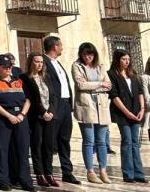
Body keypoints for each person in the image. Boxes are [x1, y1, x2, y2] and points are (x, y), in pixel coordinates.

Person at [0, 56, 35, 192]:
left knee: (23, 150)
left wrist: (22, 115)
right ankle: (3, 181)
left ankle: (25, 180)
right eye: (4, 67)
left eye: (9, 67)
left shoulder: (19, 81)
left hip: (20, 117)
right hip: (2, 118)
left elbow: (28, 99)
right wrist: (8, 116)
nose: (7, 69)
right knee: (2, 150)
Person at [71, 42, 111, 184]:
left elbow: (109, 85)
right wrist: (100, 84)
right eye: (86, 54)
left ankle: (103, 171)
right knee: (89, 141)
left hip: (102, 108)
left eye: (91, 54)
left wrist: (93, 86)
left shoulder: (100, 66)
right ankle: (90, 171)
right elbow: (81, 85)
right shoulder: (77, 66)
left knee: (102, 141)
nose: (88, 57)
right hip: (86, 108)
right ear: (81, 55)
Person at [42, 36, 80, 184]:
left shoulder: (58, 63)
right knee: (50, 141)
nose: (62, 48)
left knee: (64, 139)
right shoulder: (44, 62)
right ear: (55, 47)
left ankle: (67, 171)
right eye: (61, 45)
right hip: (54, 106)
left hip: (65, 105)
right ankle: (48, 171)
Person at [22, 52, 59, 188]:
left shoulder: (46, 77)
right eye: (37, 61)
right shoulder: (25, 78)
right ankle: (39, 174)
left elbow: (54, 96)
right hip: (36, 116)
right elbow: (31, 97)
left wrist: (51, 112)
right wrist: (43, 112)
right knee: (37, 145)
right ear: (31, 62)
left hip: (50, 116)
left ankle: (49, 173)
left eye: (41, 62)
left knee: (48, 146)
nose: (39, 64)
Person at [108, 49, 146, 183]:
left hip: (136, 112)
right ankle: (128, 174)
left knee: (135, 143)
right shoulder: (111, 74)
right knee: (127, 141)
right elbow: (114, 96)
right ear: (117, 60)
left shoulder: (133, 74)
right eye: (124, 59)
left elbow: (140, 92)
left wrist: (142, 108)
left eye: (128, 59)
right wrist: (127, 112)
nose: (127, 61)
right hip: (122, 114)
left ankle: (139, 173)